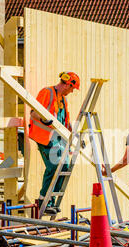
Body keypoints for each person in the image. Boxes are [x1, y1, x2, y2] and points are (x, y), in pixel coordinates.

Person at [29, 71, 80, 214]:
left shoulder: (63, 99)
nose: (72, 92)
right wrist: (44, 119)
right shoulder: (47, 92)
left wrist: (74, 135)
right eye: (72, 89)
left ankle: (51, 200)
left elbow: (65, 121)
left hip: (59, 139)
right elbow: (33, 113)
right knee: (54, 166)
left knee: (65, 166)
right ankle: (43, 200)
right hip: (46, 137)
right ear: (68, 84)